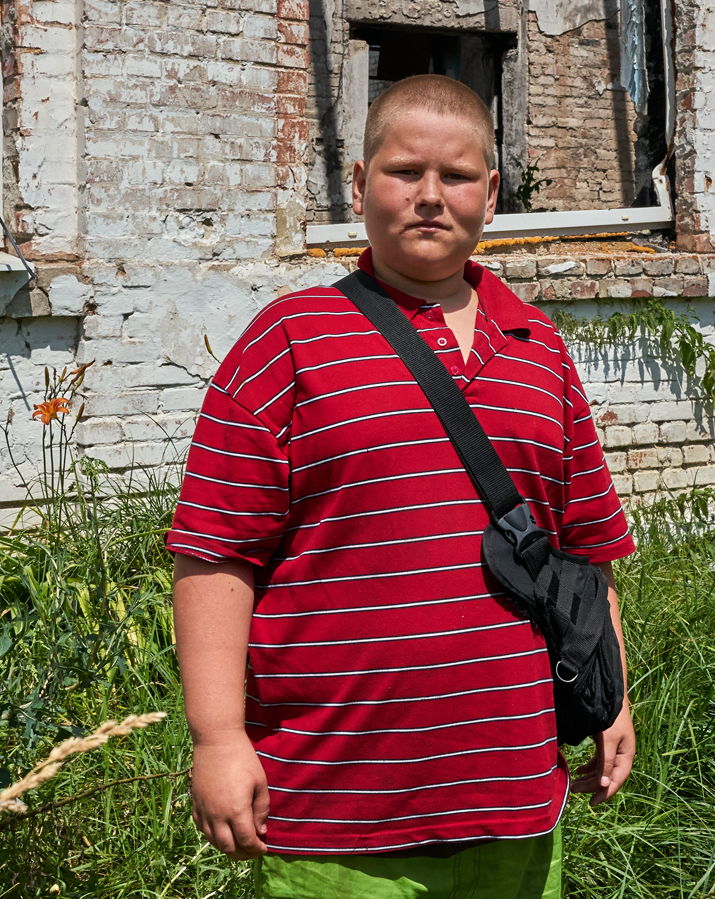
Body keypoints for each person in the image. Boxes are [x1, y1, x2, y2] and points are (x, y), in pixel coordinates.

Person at [168, 74, 636, 899]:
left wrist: (611, 699)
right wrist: (217, 737)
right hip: (334, 810)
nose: (429, 196)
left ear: (491, 195)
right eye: (403, 172)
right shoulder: (289, 343)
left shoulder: (540, 350)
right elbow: (215, 555)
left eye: (455, 177)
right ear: (358, 185)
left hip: (514, 792)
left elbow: (585, 553)